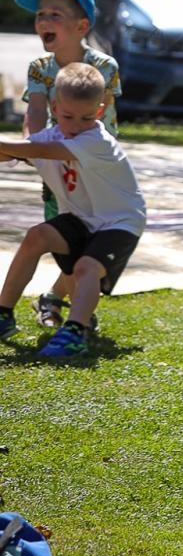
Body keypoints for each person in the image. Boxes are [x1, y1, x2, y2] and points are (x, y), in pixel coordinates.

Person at [0, 63, 146, 360]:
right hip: (81, 220)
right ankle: (3, 313)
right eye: (68, 116)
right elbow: (16, 151)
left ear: (101, 109)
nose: (77, 125)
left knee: (86, 268)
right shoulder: (51, 138)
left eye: (86, 117)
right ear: (55, 106)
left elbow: (35, 151)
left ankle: (76, 331)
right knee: (36, 236)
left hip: (120, 222)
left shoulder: (96, 142)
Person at [15, 0, 122, 330]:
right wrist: (31, 145)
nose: (44, 20)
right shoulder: (40, 69)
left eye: (55, 15)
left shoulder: (104, 66)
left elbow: (103, 121)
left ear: (82, 27)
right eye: (41, 14)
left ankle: (54, 299)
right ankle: (81, 315)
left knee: (91, 240)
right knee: (68, 237)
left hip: (96, 168)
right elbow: (34, 114)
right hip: (58, 166)